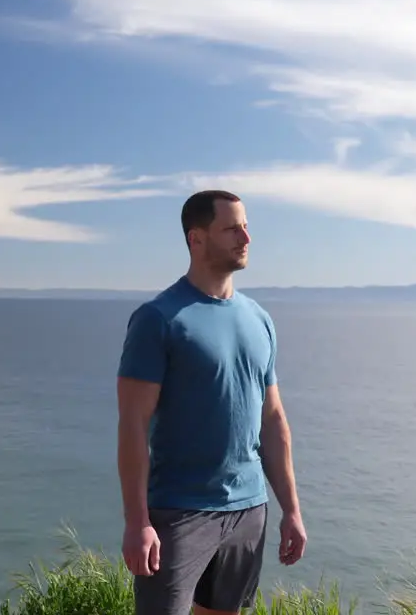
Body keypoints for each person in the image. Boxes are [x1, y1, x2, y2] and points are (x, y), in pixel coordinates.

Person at [116, 189, 306, 615]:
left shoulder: (259, 319)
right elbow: (132, 423)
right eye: (232, 228)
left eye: (246, 226)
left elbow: (272, 419)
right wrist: (137, 522)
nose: (246, 237)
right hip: (179, 512)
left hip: (249, 508)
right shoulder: (159, 319)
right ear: (196, 239)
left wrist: (290, 509)